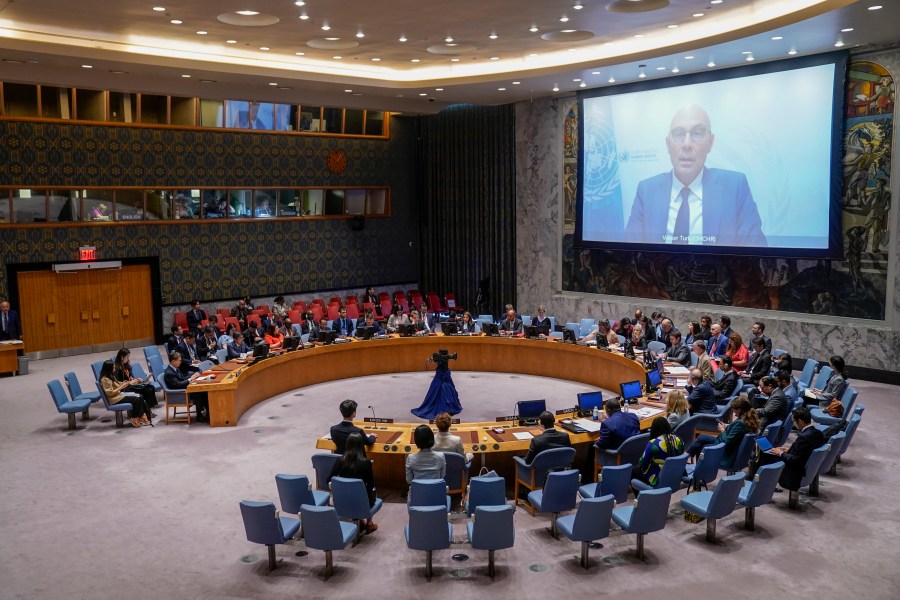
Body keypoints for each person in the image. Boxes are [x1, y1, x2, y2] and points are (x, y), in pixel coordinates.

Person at [625, 105, 766, 247]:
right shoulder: (646, 190)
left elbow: (757, 256)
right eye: (679, 134)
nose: (687, 144)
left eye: (697, 133)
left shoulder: (735, 187)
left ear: (710, 142)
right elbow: (629, 255)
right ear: (668, 144)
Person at [753, 406, 825, 490]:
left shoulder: (803, 437)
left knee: (764, 455)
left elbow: (795, 461)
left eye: (794, 421)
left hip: (793, 474)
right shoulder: (818, 433)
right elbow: (805, 451)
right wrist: (789, 450)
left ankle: (760, 486)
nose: (793, 424)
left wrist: (780, 453)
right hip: (804, 468)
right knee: (771, 451)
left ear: (800, 421)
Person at [686, 396, 759, 469]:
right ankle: (691, 461)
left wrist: (722, 430)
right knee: (702, 438)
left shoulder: (740, 423)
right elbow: (737, 433)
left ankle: (687, 458)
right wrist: (729, 426)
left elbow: (727, 442)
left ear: (739, 410)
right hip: (733, 447)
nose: (733, 412)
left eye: (734, 409)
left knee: (702, 443)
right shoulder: (748, 420)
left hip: (728, 452)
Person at [328, 432, 378, 534]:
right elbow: (371, 485)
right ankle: (369, 523)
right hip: (361, 501)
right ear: (361, 446)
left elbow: (329, 480)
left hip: (342, 499)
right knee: (372, 492)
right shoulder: (366, 463)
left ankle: (360, 521)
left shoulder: (339, 460)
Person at [633, 417, 684, 487]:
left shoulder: (654, 443)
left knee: (635, 471)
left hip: (659, 476)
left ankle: (641, 496)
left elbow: (642, 463)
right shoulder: (678, 440)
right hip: (676, 474)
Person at [99, 359, 151, 428]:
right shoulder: (105, 379)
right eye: (113, 367)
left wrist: (124, 383)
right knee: (136, 399)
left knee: (140, 396)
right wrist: (122, 387)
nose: (114, 369)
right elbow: (110, 393)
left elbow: (116, 383)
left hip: (118, 395)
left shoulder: (110, 375)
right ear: (109, 369)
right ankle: (135, 417)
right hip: (115, 399)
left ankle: (141, 416)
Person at [163, 351, 208, 422]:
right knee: (200, 393)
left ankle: (208, 413)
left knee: (204, 391)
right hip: (179, 394)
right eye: (179, 361)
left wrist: (193, 375)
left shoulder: (175, 368)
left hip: (183, 390)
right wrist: (190, 379)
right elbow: (178, 384)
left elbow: (182, 378)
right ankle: (199, 416)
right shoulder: (169, 373)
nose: (180, 362)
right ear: (173, 361)